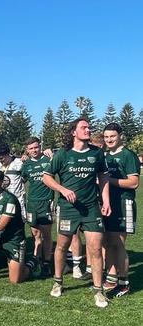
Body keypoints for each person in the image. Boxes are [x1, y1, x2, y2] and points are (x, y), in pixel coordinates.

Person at [43, 118, 111, 308]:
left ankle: (98, 291)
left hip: (91, 208)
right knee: (62, 246)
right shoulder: (62, 154)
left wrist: (105, 200)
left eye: (89, 127)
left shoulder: (97, 153)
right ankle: (58, 282)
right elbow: (46, 177)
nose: (88, 130)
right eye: (84, 127)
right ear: (74, 132)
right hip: (68, 209)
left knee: (96, 248)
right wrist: (63, 190)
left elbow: (103, 176)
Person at [102, 123, 139, 297]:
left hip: (124, 204)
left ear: (120, 136)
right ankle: (111, 279)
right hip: (108, 204)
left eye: (112, 136)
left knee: (119, 243)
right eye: (106, 137)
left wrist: (109, 181)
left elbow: (134, 182)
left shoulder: (128, 155)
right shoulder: (105, 155)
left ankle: (124, 282)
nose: (109, 140)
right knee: (108, 242)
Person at [21, 137, 54, 277]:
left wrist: (52, 157)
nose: (34, 150)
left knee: (46, 234)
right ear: (27, 151)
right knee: (35, 234)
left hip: (46, 202)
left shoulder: (48, 160)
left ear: (40, 147)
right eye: (31, 148)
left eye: (36, 147)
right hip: (32, 203)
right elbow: (21, 180)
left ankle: (47, 263)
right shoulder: (26, 164)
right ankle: (37, 259)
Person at [0, 142, 25, 217]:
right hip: (3, 200)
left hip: (17, 200)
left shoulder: (18, 163)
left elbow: (26, 177)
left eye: (1, 158)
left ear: (8, 154)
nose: (0, 161)